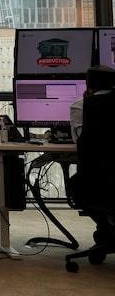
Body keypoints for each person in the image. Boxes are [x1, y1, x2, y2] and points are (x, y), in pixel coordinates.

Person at [69, 65, 115, 244]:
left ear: (88, 85)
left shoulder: (81, 105)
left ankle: (106, 230)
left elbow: (79, 141)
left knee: (77, 184)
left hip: (95, 183)